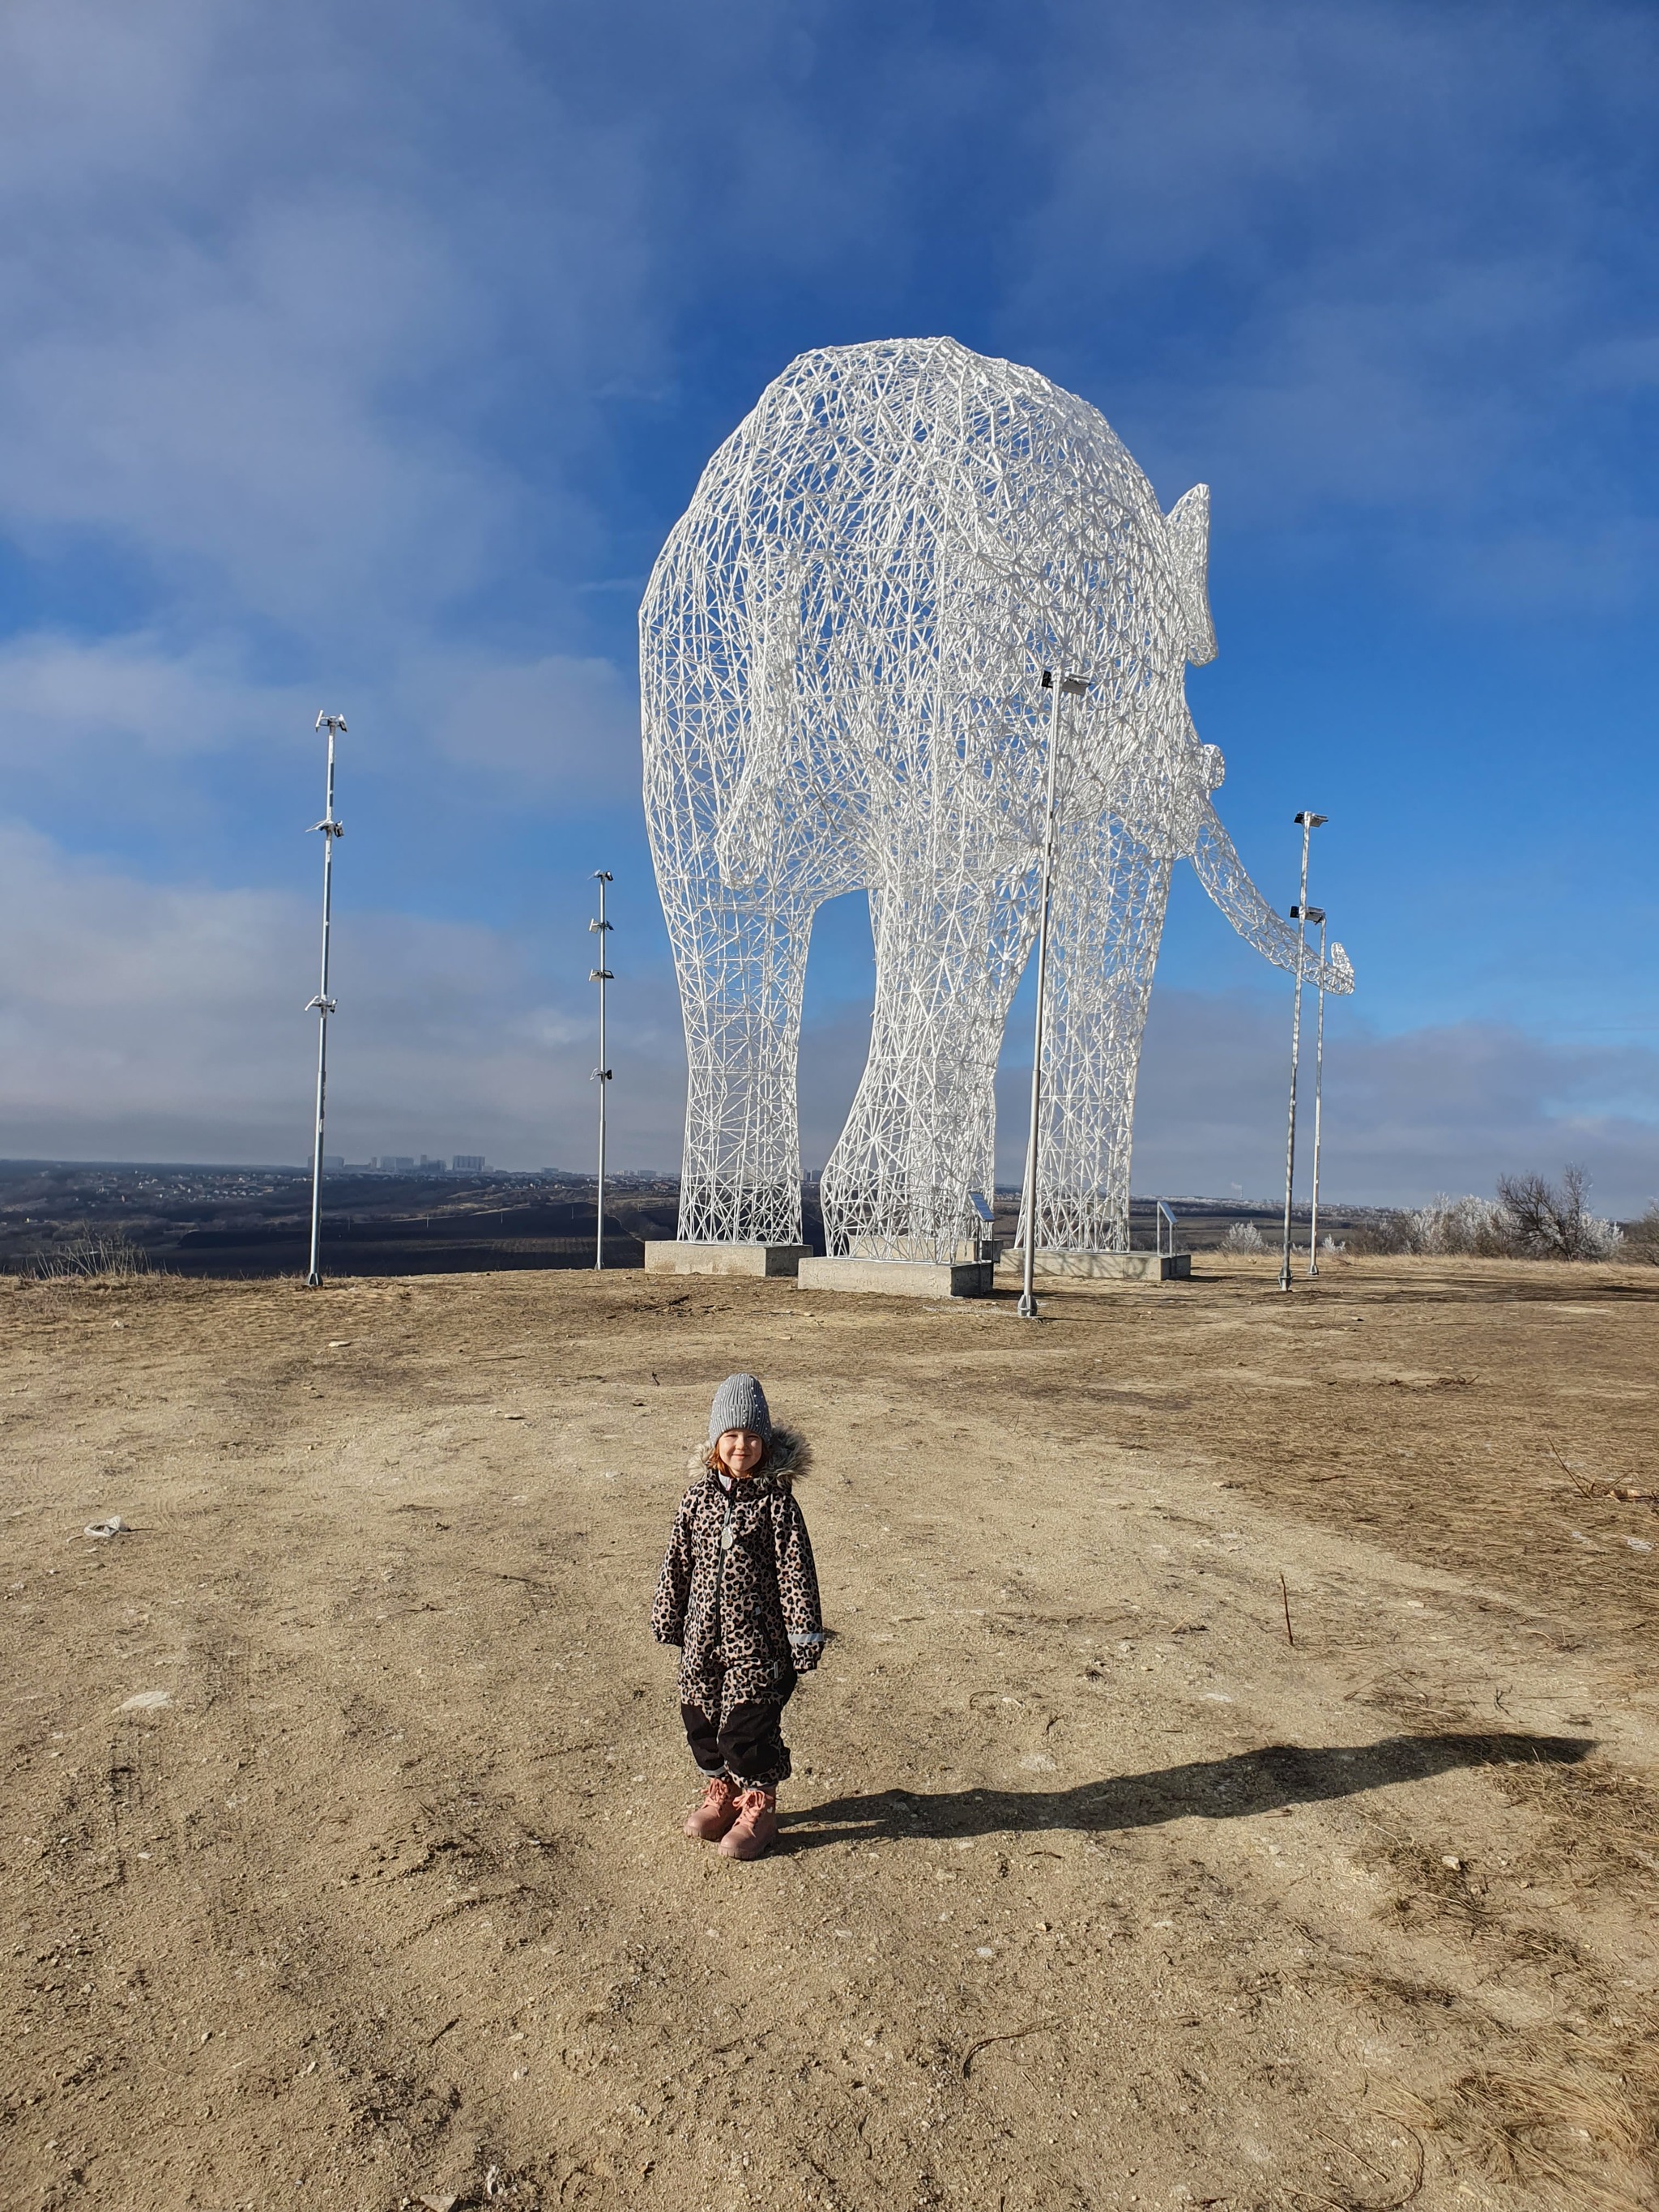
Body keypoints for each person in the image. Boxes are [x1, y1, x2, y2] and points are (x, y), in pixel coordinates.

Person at [650, 1373, 824, 1860]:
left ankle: (759, 1808)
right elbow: (677, 1560)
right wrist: (669, 1614)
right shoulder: (697, 1498)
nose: (741, 1446)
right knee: (700, 1719)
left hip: (759, 1645)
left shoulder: (778, 1505)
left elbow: (796, 1573)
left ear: (765, 1442)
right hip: (702, 1639)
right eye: (731, 1436)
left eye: (751, 1436)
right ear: (715, 1442)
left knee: (746, 1730)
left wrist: (803, 1636)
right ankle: (722, 1792)